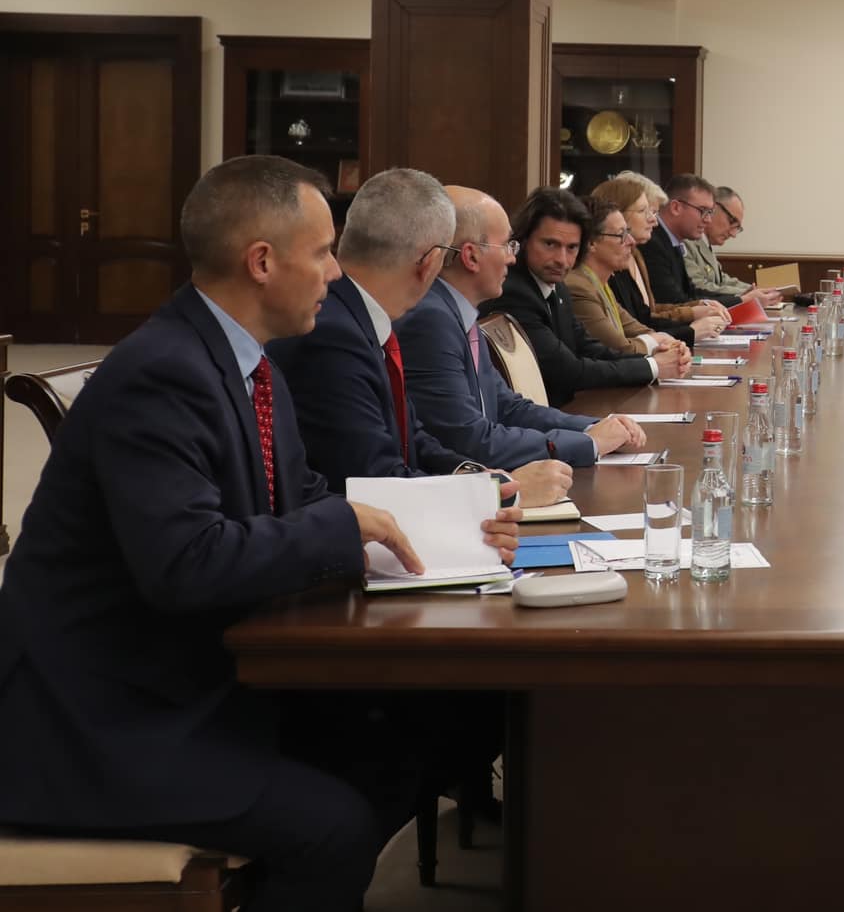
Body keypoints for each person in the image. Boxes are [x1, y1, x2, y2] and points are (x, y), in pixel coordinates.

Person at [0, 155, 516, 911]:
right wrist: (343, 527)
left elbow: (299, 496)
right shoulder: (163, 374)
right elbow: (187, 563)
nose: (338, 274)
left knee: (409, 736)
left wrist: (451, 529)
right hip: (101, 720)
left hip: (186, 675)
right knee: (332, 826)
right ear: (262, 261)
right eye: (323, 252)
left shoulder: (248, 363)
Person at [269, 169, 574, 504]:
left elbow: (413, 437)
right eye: (320, 252)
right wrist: (503, 495)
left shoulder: (359, 319)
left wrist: (474, 476)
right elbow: (378, 481)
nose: (332, 269)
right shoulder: (332, 335)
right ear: (431, 263)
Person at [397, 185, 649, 468]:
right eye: (507, 245)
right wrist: (589, 443)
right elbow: (470, 441)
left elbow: (507, 407)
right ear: (470, 256)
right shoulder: (431, 320)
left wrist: (595, 427)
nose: (511, 258)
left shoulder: (455, 312)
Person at [481, 187, 690, 406]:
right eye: (550, 244)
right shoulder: (514, 292)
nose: (562, 259)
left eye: (571, 248)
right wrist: (654, 366)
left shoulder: (557, 286)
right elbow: (569, 371)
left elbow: (588, 347)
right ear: (523, 240)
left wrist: (655, 359)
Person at [591, 173, 724, 342]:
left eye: (653, 212)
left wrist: (694, 314)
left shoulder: (635, 256)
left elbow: (643, 317)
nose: (654, 220)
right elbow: (625, 338)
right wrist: (690, 330)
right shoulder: (597, 274)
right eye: (645, 211)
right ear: (618, 214)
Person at [567, 197, 689, 356]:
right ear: (591, 243)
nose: (631, 241)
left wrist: (670, 343)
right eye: (621, 235)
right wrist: (659, 342)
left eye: (628, 232)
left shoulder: (601, 284)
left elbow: (638, 329)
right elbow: (621, 348)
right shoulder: (578, 287)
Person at [644, 174, 742, 312]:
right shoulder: (651, 243)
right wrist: (741, 299)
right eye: (703, 211)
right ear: (676, 208)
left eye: (710, 212)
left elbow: (691, 293)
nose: (708, 220)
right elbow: (674, 301)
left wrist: (741, 299)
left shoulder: (673, 242)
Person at [687, 184, 783, 306]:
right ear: (714, 207)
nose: (733, 234)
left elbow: (722, 280)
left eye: (737, 227)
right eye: (732, 221)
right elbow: (698, 286)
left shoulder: (705, 243)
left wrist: (756, 290)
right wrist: (747, 296)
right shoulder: (687, 242)